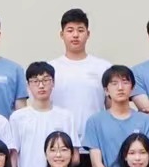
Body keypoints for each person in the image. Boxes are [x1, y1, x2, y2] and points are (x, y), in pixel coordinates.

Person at [46, 9, 113, 144]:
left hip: (95, 143)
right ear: (61, 34)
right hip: (59, 146)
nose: (75, 35)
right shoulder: (50, 69)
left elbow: (111, 107)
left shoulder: (103, 67)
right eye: (70, 30)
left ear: (88, 34)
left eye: (80, 30)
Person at [81, 65, 149, 167]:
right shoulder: (95, 121)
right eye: (114, 83)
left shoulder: (146, 121)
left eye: (125, 82)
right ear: (106, 91)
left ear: (132, 88)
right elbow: (96, 162)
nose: (120, 88)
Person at [9, 61, 78, 167]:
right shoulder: (18, 117)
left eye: (46, 80)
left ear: (53, 83)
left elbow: (75, 156)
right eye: (35, 81)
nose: (41, 86)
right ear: (28, 85)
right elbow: (13, 154)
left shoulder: (66, 116)